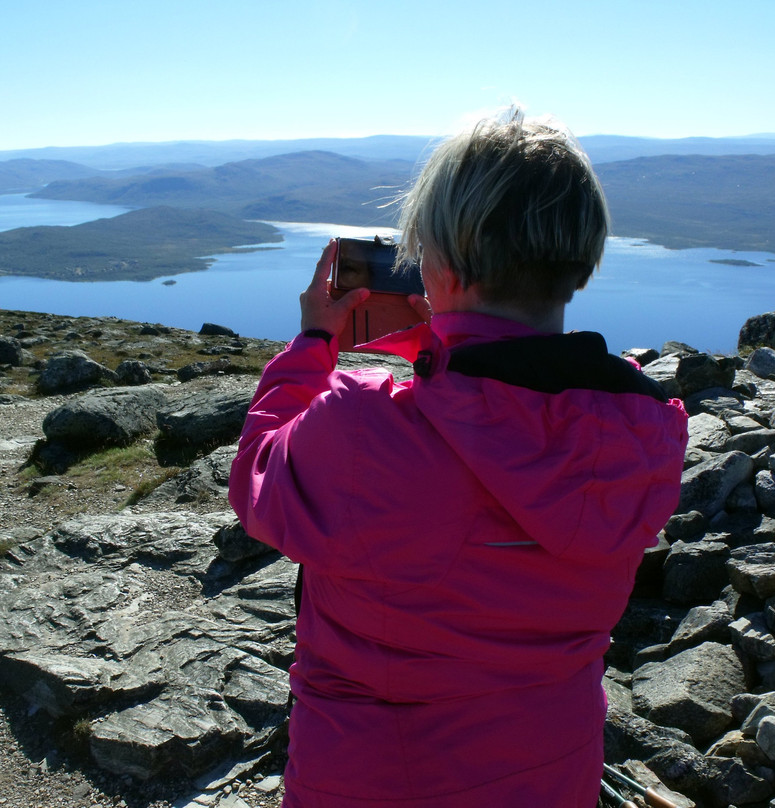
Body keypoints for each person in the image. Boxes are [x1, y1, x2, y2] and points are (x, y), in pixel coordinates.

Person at [228, 109, 689, 807]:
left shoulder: (363, 430)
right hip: (550, 772)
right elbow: (502, 414)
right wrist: (445, 339)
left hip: (374, 782)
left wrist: (313, 344)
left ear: (438, 264)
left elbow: (259, 475)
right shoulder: (640, 430)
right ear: (580, 257)